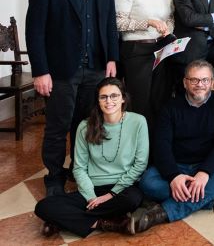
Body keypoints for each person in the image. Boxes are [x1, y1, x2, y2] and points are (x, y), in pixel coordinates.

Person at [26, 0, 119, 197]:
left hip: (96, 67)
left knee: (87, 124)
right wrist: (41, 71)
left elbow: (109, 25)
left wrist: (111, 58)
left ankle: (81, 170)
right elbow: (35, 33)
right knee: (57, 126)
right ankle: (54, 176)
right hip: (60, 70)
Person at [134, 60, 214, 233]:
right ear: (185, 82)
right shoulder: (169, 108)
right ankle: (213, 198)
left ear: (212, 82)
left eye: (205, 80)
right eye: (194, 80)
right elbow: (161, 145)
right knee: (148, 182)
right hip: (178, 166)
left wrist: (205, 173)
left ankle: (163, 212)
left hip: (206, 167)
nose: (200, 85)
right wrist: (173, 176)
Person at [34, 78, 147, 238]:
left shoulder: (138, 122)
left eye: (114, 96)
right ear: (98, 101)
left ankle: (62, 220)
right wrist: (91, 197)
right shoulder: (85, 126)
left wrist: (110, 195)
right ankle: (103, 223)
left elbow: (140, 165)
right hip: (92, 187)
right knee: (43, 207)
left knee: (134, 199)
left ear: (123, 98)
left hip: (122, 188)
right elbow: (79, 168)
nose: (109, 101)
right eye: (103, 97)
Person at [115, 0, 174, 127]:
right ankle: (138, 146)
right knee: (140, 103)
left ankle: (156, 149)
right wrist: (148, 22)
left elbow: (170, 18)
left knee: (160, 100)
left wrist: (167, 29)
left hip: (162, 48)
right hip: (137, 50)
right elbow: (119, 23)